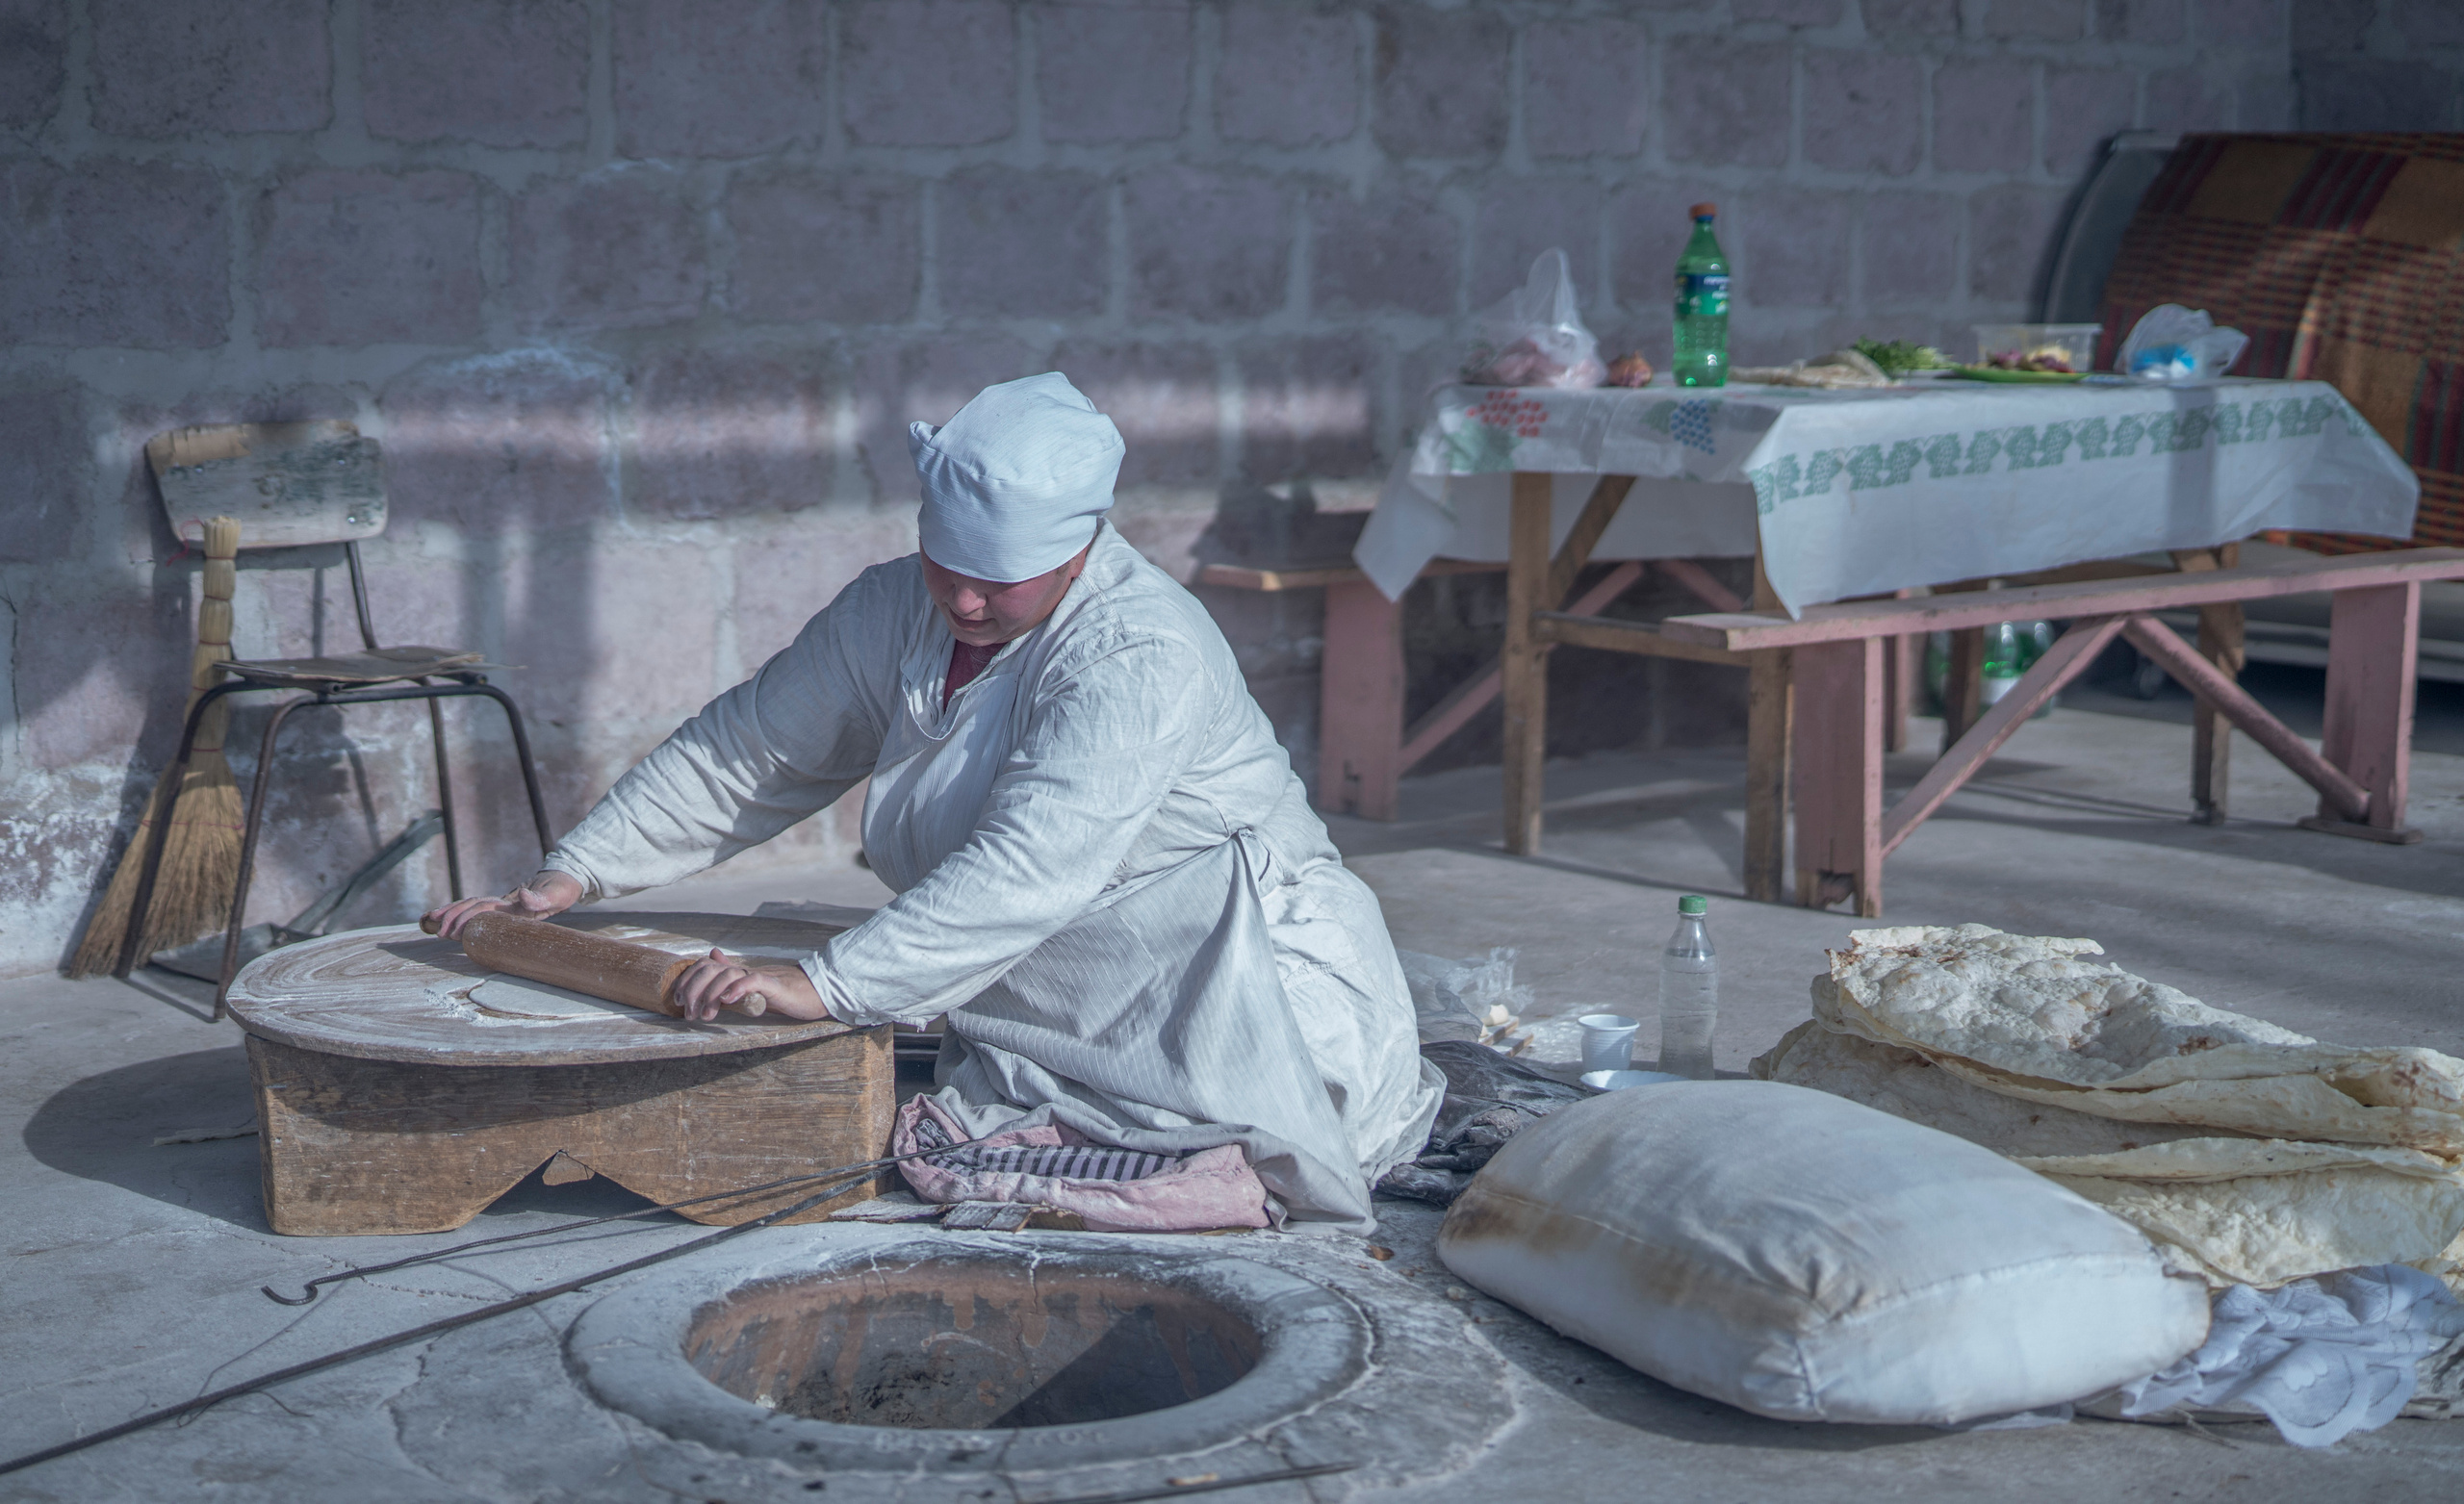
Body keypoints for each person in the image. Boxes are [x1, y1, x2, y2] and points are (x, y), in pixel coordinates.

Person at [428, 372, 1440, 1231]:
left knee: (1242, 1134)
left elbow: (1030, 867)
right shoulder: (891, 608)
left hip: (1244, 992)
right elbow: (750, 749)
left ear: (1080, 551)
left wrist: (821, 984)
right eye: (945, 569)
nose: (961, 603)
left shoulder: (1137, 651)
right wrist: (575, 873)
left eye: (998, 585)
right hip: (1055, 995)